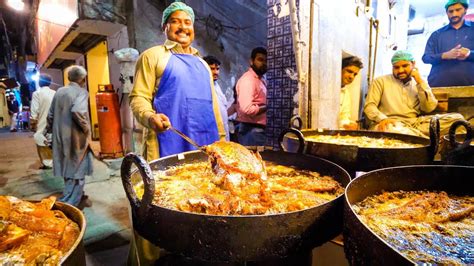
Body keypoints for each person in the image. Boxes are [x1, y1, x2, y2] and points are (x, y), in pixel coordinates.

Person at [128, 2, 225, 264]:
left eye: (188, 22)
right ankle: (148, 261)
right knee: (155, 206)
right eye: (176, 21)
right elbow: (138, 98)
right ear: (165, 26)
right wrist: (150, 117)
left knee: (199, 201)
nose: (183, 26)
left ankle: (189, 253)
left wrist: (223, 141)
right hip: (165, 143)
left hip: (202, 146)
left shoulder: (203, 65)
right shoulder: (152, 56)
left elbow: (213, 106)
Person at [364, 50, 465, 137]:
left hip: (416, 123)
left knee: (458, 120)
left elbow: (428, 108)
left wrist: (420, 82)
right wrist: (383, 119)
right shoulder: (380, 81)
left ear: (413, 64)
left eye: (405, 66)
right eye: (396, 67)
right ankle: (418, 137)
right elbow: (369, 106)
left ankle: (412, 135)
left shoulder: (418, 82)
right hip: (390, 123)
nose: (400, 70)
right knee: (390, 130)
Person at [46, 65, 93, 208]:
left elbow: (50, 115)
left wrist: (50, 131)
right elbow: (78, 111)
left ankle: (69, 196)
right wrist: (87, 130)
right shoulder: (81, 92)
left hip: (60, 136)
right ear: (83, 79)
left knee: (67, 169)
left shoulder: (59, 91)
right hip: (76, 138)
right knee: (79, 171)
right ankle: (70, 204)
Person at [422, 0, 474, 87]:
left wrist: (470, 54)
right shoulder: (436, 34)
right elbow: (426, 58)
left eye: (458, 10)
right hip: (440, 87)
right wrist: (444, 55)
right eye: (451, 11)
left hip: (470, 88)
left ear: (465, 10)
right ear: (446, 12)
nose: (454, 14)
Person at [236, 46, 267, 146]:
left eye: (266, 60)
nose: (264, 63)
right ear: (251, 61)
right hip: (251, 130)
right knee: (254, 161)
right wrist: (267, 107)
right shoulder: (248, 80)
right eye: (260, 60)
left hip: (256, 130)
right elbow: (246, 109)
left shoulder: (259, 79)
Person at [30, 74, 55, 169]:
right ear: (49, 83)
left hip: (42, 123)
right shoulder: (55, 93)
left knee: (42, 143)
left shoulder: (37, 94)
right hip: (54, 123)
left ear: (39, 83)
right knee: (53, 141)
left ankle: (47, 163)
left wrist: (33, 123)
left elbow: (34, 111)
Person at [203, 55, 230, 140]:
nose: (216, 72)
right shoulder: (202, 86)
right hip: (210, 132)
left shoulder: (217, 86)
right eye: (212, 69)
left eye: (217, 69)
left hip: (223, 130)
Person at [340, 56, 363, 130]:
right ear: (339, 69)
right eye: (349, 71)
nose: (352, 77)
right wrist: (344, 124)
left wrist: (350, 124)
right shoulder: (327, 89)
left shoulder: (346, 93)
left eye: (355, 74)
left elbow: (345, 116)